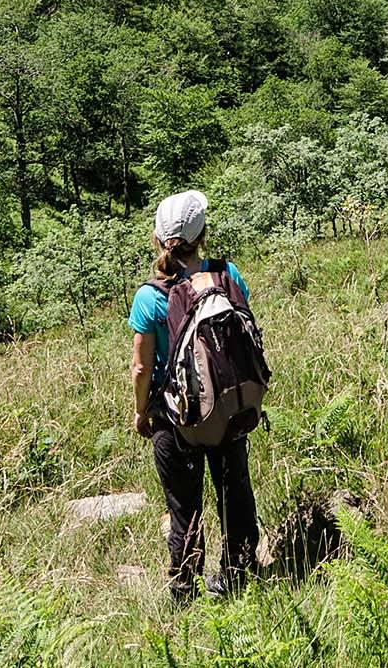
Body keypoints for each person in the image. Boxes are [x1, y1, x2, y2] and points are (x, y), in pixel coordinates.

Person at [129, 190, 260, 600]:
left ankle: (184, 587)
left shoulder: (150, 296)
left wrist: (139, 412)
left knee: (184, 506)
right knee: (234, 491)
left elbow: (141, 367)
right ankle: (238, 574)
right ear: (202, 234)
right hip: (227, 405)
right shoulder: (226, 275)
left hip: (176, 416)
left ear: (159, 238)